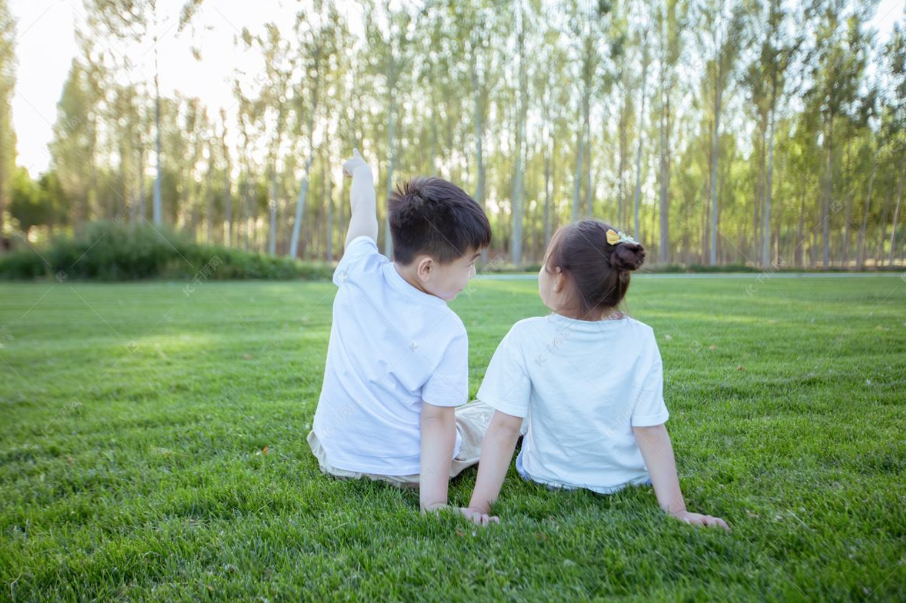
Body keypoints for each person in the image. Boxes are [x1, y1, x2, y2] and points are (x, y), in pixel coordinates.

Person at [466, 219, 729, 530]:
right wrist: (677, 511)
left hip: (547, 474)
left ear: (559, 280)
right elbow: (650, 429)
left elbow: (504, 428)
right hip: (627, 477)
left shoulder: (526, 336)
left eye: (544, 265)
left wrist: (479, 507)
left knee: (504, 420)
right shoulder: (642, 338)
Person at [308, 149, 495, 523]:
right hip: (404, 468)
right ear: (427, 268)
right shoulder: (446, 330)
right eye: (469, 264)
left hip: (335, 454)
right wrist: (435, 506)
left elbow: (362, 214)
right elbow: (437, 422)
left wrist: (361, 172)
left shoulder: (358, 269)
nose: (471, 275)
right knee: (492, 416)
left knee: (456, 411)